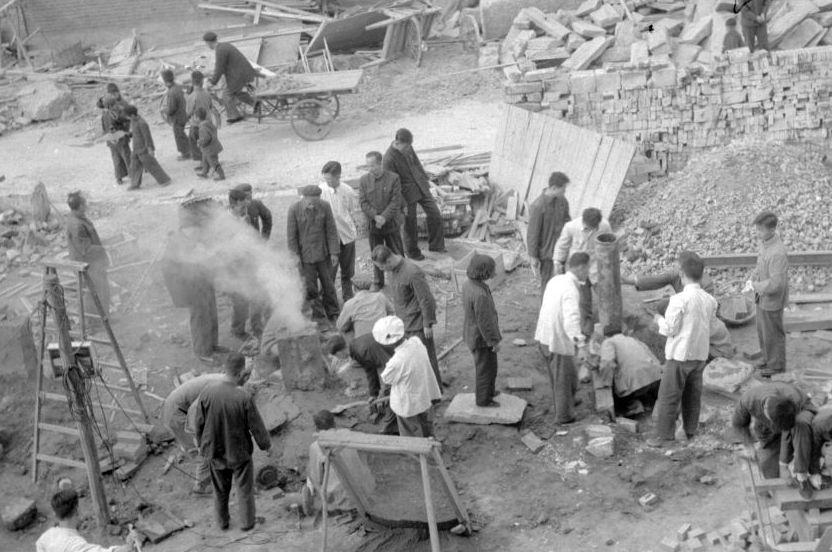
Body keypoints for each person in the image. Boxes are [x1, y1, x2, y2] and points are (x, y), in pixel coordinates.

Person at [647, 254, 718, 448]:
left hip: (679, 356)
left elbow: (670, 329)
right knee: (692, 395)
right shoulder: (710, 300)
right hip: (699, 355)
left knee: (669, 395)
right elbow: (709, 326)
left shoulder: (678, 299)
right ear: (701, 276)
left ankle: (664, 436)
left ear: (681, 275)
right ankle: (690, 431)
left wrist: (658, 320)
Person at [194, 352, 270, 531]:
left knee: (220, 490)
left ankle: (222, 522)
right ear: (241, 372)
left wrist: (202, 446)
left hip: (215, 452)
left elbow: (198, 424)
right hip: (239, 452)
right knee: (244, 489)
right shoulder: (243, 397)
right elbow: (256, 427)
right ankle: (247, 523)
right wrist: (266, 445)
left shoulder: (207, 392)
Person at [278, 410, 375, 516]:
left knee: (311, 472)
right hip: (366, 491)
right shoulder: (348, 433)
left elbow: (317, 478)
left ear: (316, 428)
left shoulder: (317, 446)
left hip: (344, 498)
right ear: (334, 423)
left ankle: (317, 501)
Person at [372, 245, 442, 387]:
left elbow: (426, 299)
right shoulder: (392, 271)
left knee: (426, 358)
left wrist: (427, 323)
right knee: (413, 359)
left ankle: (436, 392)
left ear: (389, 261)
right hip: (405, 323)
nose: (381, 271)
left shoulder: (412, 272)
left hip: (418, 325)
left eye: (381, 267)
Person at [161, 197, 221, 362]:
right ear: (189, 227)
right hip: (191, 285)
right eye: (198, 228)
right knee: (200, 317)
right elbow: (182, 266)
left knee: (211, 313)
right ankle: (203, 352)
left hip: (204, 280)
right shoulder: (178, 242)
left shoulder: (195, 236)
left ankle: (213, 345)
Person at [734, 382, 817, 498]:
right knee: (767, 464)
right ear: (768, 416)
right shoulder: (748, 400)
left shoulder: (793, 399)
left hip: (802, 413)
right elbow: (739, 425)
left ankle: (802, 474)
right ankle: (777, 491)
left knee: (800, 427)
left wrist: (783, 464)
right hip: (766, 425)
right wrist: (749, 446)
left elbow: (786, 435)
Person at [534, 252, 590, 424]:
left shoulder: (556, 280)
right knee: (562, 379)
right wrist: (580, 343)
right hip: (556, 339)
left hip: (544, 334)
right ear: (580, 268)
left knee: (566, 373)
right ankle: (564, 416)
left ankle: (568, 400)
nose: (588, 272)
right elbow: (571, 319)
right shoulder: (571, 289)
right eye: (587, 268)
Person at [383, 128, 445, 260]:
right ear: (397, 143)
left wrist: (425, 180)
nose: (408, 149)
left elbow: (416, 163)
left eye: (409, 146)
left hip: (420, 185)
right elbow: (392, 185)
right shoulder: (388, 159)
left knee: (435, 214)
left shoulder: (408, 147)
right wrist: (401, 203)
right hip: (406, 194)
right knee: (410, 224)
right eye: (406, 147)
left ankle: (436, 246)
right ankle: (413, 252)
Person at [376, 316, 442, 437]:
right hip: (424, 396)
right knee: (426, 424)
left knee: (410, 433)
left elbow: (386, 379)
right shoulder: (416, 341)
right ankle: (432, 446)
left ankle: (418, 454)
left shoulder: (395, 362)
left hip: (407, 404)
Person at [162, 371, 225, 493]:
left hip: (178, 408)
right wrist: (200, 438)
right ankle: (201, 487)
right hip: (176, 414)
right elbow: (195, 412)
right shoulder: (218, 389)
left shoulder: (222, 382)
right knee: (203, 450)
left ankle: (215, 468)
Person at [553, 207, 612, 336]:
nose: (593, 230)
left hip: (598, 269)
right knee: (584, 303)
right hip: (580, 271)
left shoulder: (605, 226)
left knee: (605, 298)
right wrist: (558, 262)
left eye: (595, 227)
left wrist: (609, 267)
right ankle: (586, 332)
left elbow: (609, 246)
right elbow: (562, 245)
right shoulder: (570, 227)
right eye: (590, 227)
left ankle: (609, 328)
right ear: (584, 222)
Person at [287, 185, 340, 321]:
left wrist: (334, 252)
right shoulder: (294, 209)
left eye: (317, 199)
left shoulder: (325, 206)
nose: (315, 203)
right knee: (310, 288)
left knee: (328, 285)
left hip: (324, 254)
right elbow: (291, 237)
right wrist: (295, 258)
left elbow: (331, 230)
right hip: (305, 257)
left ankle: (333, 312)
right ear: (304, 198)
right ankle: (318, 315)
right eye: (312, 200)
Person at [745, 211, 788, 377]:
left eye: (760, 230)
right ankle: (767, 357)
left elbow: (776, 284)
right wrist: (754, 276)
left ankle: (776, 366)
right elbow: (760, 264)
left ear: (771, 230)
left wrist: (754, 285)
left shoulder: (777, 253)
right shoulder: (765, 242)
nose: (757, 233)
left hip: (772, 300)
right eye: (757, 229)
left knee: (773, 333)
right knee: (762, 330)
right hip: (762, 297)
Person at [326, 334, 398, 435]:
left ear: (340, 352)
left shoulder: (362, 350)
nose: (339, 359)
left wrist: (383, 392)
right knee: (388, 394)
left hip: (399, 361)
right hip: (393, 360)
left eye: (336, 356)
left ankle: (391, 429)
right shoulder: (356, 349)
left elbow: (391, 367)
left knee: (393, 394)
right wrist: (373, 394)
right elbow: (370, 370)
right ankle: (392, 426)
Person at [36, 488, 134, 552]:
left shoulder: (45, 537)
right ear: (76, 510)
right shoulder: (74, 545)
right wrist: (128, 547)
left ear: (56, 514)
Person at [595, 324, 662, 416]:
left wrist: (605, 382)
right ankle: (653, 402)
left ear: (606, 336)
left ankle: (634, 405)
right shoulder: (633, 339)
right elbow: (653, 358)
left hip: (634, 384)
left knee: (619, 390)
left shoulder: (608, 342)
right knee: (646, 383)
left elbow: (607, 363)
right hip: (655, 378)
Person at [359, 151, 403, 290]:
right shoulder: (364, 180)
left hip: (391, 224)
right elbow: (363, 202)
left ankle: (401, 279)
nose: (370, 169)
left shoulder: (394, 178)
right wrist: (375, 216)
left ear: (380, 163)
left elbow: (396, 201)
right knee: (376, 255)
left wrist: (384, 217)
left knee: (397, 252)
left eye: (372, 165)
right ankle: (378, 281)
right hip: (374, 226)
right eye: (368, 166)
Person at [462, 254, 502, 407]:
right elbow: (485, 323)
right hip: (481, 340)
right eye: (492, 270)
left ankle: (489, 392)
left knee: (491, 367)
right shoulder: (480, 295)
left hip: (472, 334)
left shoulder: (468, 284)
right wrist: (493, 342)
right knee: (485, 370)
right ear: (483, 272)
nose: (495, 273)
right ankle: (483, 400)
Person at [623, 250, 714, 316]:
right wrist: (629, 281)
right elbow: (657, 280)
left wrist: (658, 319)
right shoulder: (677, 275)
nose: (676, 268)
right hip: (685, 306)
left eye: (678, 267)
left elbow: (707, 310)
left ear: (683, 272)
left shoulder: (707, 285)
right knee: (662, 305)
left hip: (698, 315)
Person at [227, 188, 265, 340]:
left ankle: (257, 327)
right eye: (242, 206)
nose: (245, 209)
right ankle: (238, 330)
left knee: (257, 295)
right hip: (234, 267)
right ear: (233, 205)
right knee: (240, 301)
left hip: (250, 262)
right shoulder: (225, 221)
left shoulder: (245, 216)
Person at [66, 191, 110, 317]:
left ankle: (102, 318)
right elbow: (86, 250)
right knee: (97, 292)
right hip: (87, 265)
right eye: (84, 203)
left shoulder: (77, 218)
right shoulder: (77, 225)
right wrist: (104, 249)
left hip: (90, 263)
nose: (86, 205)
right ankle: (96, 322)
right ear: (80, 206)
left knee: (98, 291)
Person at [319, 161, 358, 301]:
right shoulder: (321, 191)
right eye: (325, 178)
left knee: (348, 272)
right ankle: (330, 302)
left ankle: (348, 299)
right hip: (330, 240)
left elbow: (351, 212)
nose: (327, 181)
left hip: (347, 236)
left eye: (329, 179)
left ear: (338, 176)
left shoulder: (348, 191)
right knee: (329, 273)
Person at [527, 171, 571, 294]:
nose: (564, 192)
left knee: (561, 280)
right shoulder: (538, 206)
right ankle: (545, 311)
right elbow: (532, 234)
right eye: (563, 189)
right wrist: (533, 256)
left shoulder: (562, 201)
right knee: (547, 284)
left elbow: (567, 220)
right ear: (554, 188)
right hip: (546, 253)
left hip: (561, 249)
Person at [203, 31, 260, 124]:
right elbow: (221, 67)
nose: (206, 45)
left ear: (209, 42)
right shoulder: (224, 46)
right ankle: (256, 103)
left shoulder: (220, 50)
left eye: (206, 43)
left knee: (226, 94)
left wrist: (212, 82)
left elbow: (219, 68)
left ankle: (235, 116)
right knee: (238, 92)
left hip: (239, 73)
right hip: (241, 72)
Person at [124, 104, 171, 189]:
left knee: (152, 165)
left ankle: (165, 180)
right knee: (134, 167)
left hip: (144, 149)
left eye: (128, 117)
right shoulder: (133, 121)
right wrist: (129, 134)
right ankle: (135, 184)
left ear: (132, 115)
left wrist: (150, 149)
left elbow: (147, 137)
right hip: (136, 149)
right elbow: (135, 133)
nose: (128, 119)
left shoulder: (142, 123)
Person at [97, 84, 131, 186]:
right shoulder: (114, 113)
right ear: (112, 105)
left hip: (110, 140)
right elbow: (122, 119)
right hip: (119, 138)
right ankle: (133, 173)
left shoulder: (104, 114)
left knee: (116, 158)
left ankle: (119, 177)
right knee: (126, 156)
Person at [161, 69, 191, 161]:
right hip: (183, 114)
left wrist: (164, 110)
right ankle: (190, 150)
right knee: (181, 134)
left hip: (177, 117)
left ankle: (186, 154)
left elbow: (172, 109)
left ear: (165, 81)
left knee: (179, 136)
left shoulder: (171, 92)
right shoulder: (177, 87)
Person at [186, 70, 213, 166]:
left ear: (192, 82)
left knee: (194, 142)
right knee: (207, 143)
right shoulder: (207, 93)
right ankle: (207, 162)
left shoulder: (191, 96)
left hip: (197, 124)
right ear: (202, 81)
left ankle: (203, 163)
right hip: (208, 122)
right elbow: (210, 106)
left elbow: (189, 113)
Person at [195, 106, 225, 180]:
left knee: (213, 162)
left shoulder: (202, 127)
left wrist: (199, 142)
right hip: (212, 146)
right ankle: (204, 172)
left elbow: (206, 138)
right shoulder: (209, 123)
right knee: (205, 159)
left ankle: (221, 175)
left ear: (198, 118)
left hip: (209, 148)